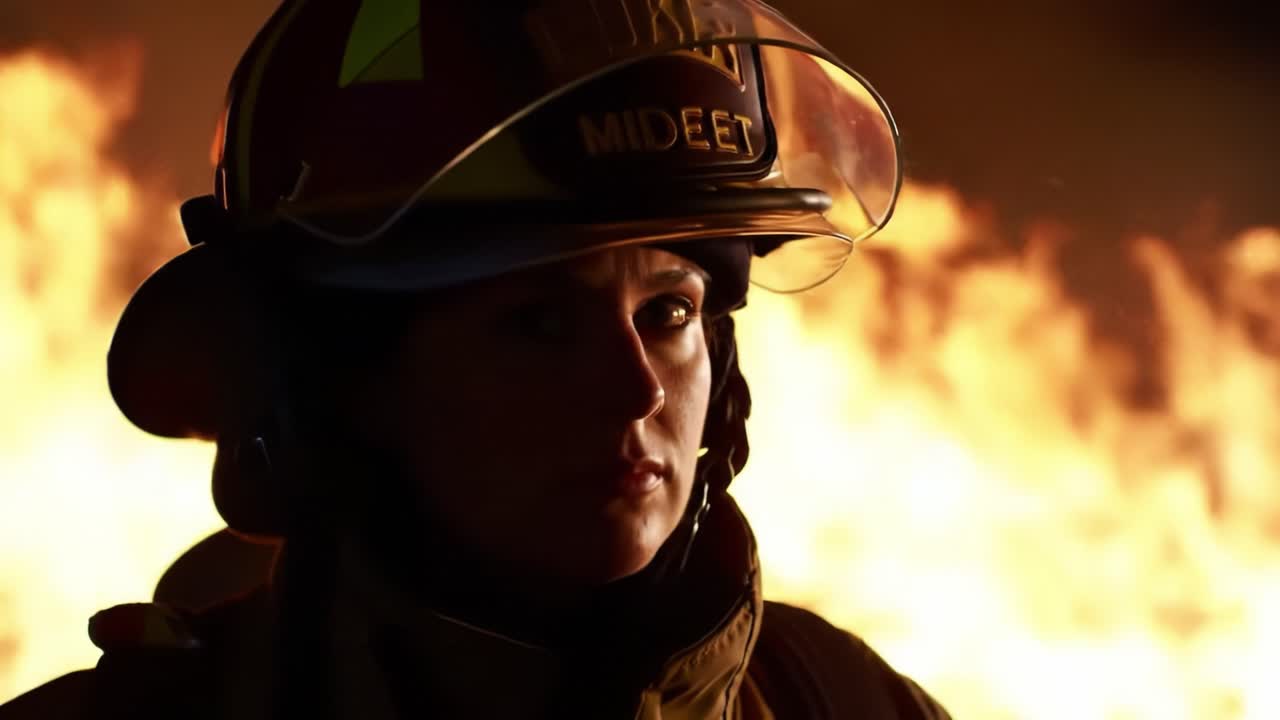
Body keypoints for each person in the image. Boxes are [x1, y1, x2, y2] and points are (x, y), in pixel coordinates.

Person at [1, 0, 951, 717]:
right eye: (538, 324)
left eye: (669, 310)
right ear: (348, 386)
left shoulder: (838, 699)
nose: (636, 388)